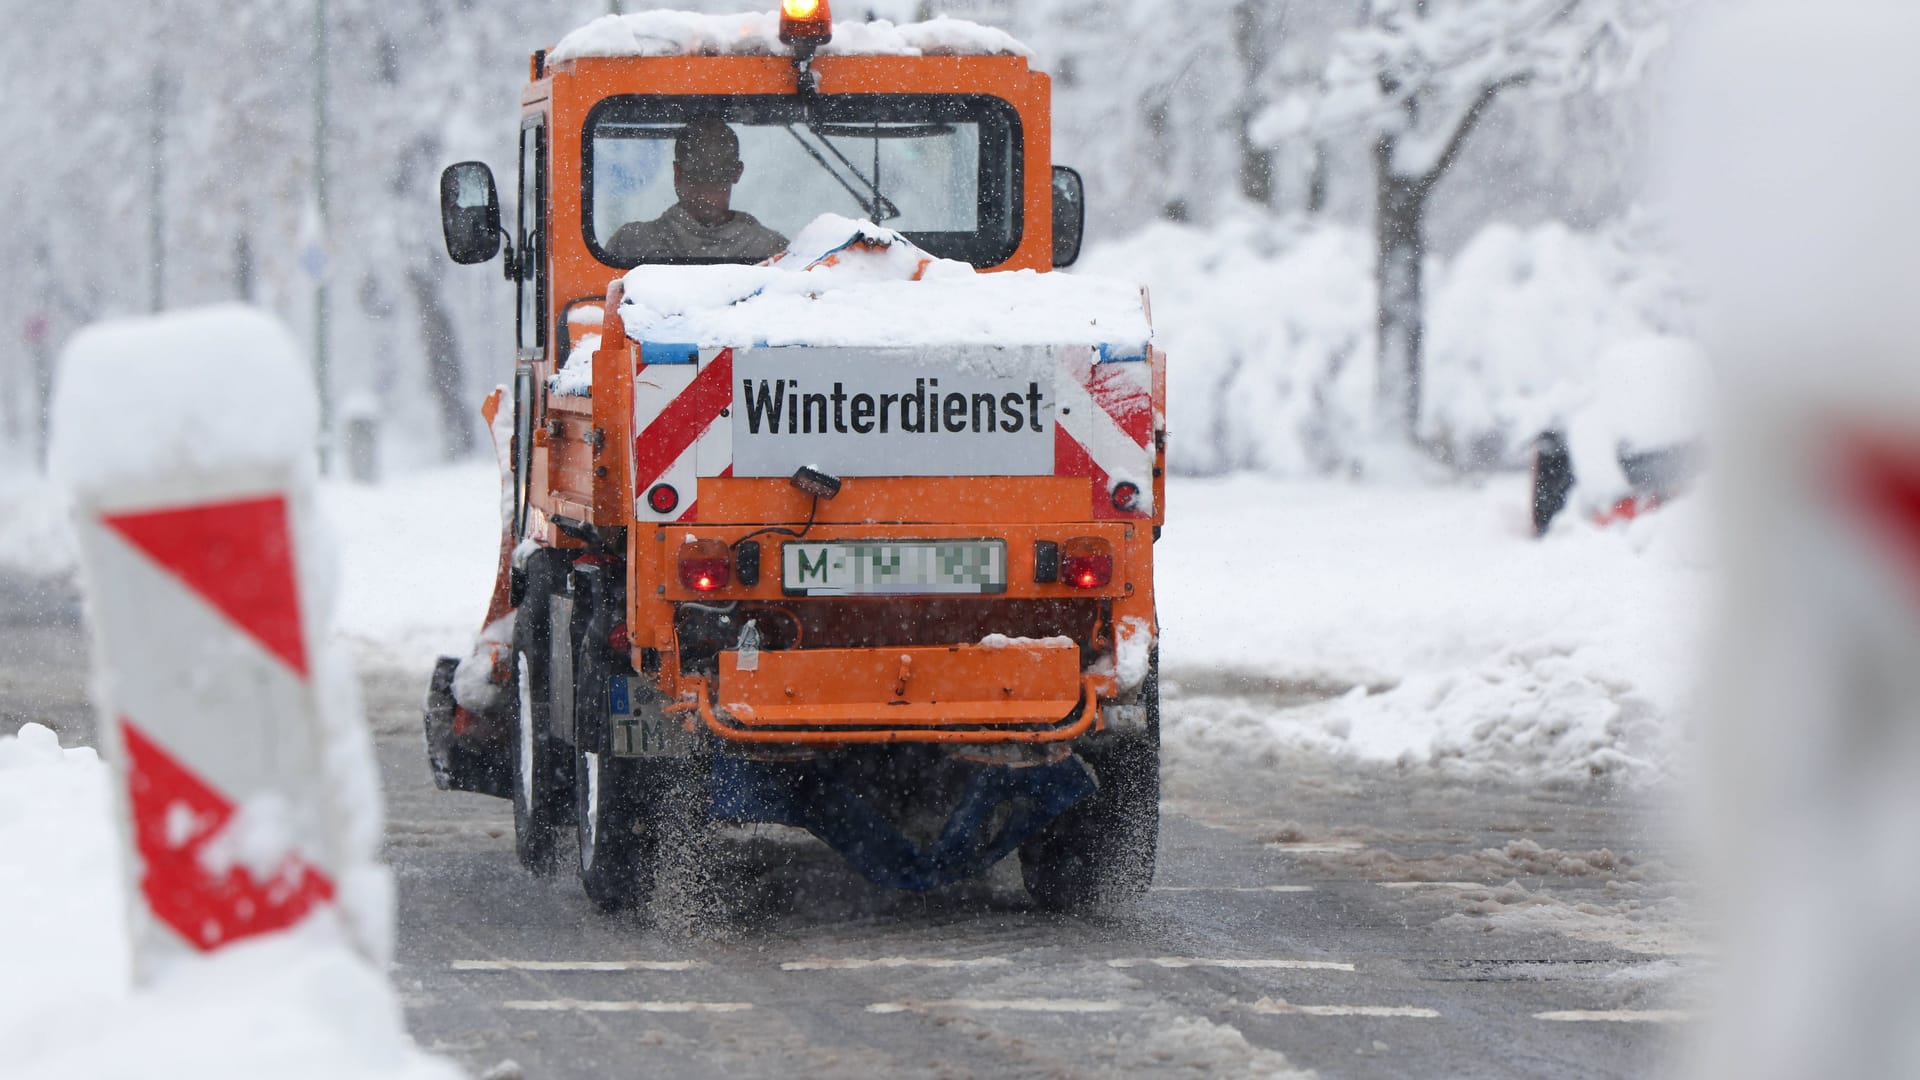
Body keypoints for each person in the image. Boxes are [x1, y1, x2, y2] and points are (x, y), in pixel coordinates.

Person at [607, 119, 788, 264]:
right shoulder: (774, 250)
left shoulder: (630, 244)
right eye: (702, 172)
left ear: (677, 172)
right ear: (737, 172)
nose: (707, 191)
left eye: (714, 173)